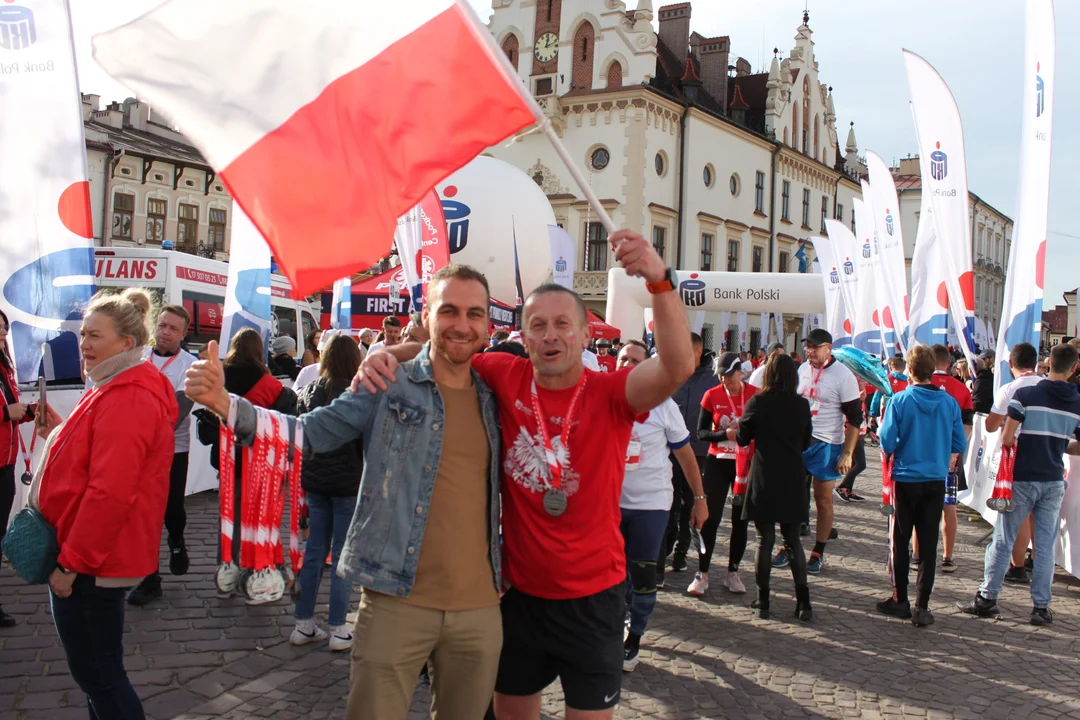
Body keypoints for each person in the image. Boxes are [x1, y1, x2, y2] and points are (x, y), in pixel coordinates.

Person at [356, 230, 694, 719]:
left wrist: (660, 282)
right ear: (522, 335)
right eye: (537, 325)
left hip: (594, 599)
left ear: (583, 334)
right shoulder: (499, 373)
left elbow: (679, 365)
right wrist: (383, 356)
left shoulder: (613, 393)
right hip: (517, 598)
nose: (550, 335)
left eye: (562, 324)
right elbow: (446, 347)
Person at [188, 265, 506, 720]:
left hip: (479, 609)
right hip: (396, 599)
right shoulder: (387, 382)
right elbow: (309, 433)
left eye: (474, 313)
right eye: (449, 310)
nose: (462, 324)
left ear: (487, 325)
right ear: (427, 316)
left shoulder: (496, 393)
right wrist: (227, 405)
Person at [31, 288, 177, 718]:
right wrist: (58, 433)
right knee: (99, 679)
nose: (85, 344)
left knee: (101, 679)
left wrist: (71, 564)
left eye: (95, 335)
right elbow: (99, 462)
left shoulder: (128, 393)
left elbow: (110, 492)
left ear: (127, 344)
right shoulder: (116, 383)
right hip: (93, 558)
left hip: (93, 563)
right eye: (82, 335)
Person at [959, 343, 1080, 626]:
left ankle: (987, 598)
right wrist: (1058, 444)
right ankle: (1041, 607)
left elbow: (1006, 438)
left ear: (1048, 362)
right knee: (1045, 545)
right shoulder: (1076, 402)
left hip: (1023, 476)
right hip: (1053, 479)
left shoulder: (1025, 394)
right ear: (1074, 368)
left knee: (1004, 538)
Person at [616, 340, 707, 671]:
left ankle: (634, 637)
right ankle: (615, 625)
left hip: (651, 504)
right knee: (611, 576)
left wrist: (699, 499)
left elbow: (685, 455)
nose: (627, 364)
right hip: (608, 504)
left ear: (646, 367)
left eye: (635, 360)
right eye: (622, 358)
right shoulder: (601, 400)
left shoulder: (663, 406)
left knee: (641, 573)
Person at [876, 345, 967, 627]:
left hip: (905, 477)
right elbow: (959, 443)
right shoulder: (949, 402)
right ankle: (922, 606)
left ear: (911, 371)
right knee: (928, 544)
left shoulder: (900, 401)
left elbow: (887, 441)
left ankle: (900, 599)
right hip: (934, 479)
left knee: (901, 541)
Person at [291, 335, 365, 652]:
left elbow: (300, 433)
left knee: (315, 551)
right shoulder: (358, 395)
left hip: (316, 482)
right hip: (348, 484)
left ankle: (303, 623)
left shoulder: (308, 391)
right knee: (342, 558)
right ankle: (338, 628)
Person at [211, 328, 298, 598]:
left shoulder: (221, 379)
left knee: (229, 516)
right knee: (260, 519)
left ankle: (225, 573)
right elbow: (283, 419)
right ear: (259, 351)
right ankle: (254, 575)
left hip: (228, 458)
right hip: (260, 461)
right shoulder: (270, 384)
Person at [773, 329, 861, 574]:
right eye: (808, 346)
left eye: (815, 347)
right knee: (791, 496)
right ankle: (788, 546)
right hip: (799, 442)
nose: (810, 350)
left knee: (822, 500)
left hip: (827, 443)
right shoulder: (801, 370)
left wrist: (848, 453)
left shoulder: (843, 376)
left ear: (828, 348)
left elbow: (855, 418)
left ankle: (818, 552)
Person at [127, 305, 199, 606]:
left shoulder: (189, 365)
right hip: (135, 452)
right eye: (162, 325)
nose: (165, 332)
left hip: (172, 451)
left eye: (172, 329)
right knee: (144, 515)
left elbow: (177, 413)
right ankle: (150, 578)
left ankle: (177, 539)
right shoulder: (137, 357)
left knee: (172, 510)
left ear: (183, 334)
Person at [736, 354, 813, 621]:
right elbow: (806, 442)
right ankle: (803, 603)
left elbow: (742, 437)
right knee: (793, 541)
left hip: (765, 475)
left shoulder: (758, 402)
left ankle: (763, 600)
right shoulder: (802, 405)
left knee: (764, 541)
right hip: (792, 475)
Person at [691, 351, 756, 596]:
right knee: (711, 518)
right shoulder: (712, 395)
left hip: (744, 465)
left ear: (741, 372)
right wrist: (725, 435)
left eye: (729, 376)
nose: (724, 381)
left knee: (740, 520)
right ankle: (702, 573)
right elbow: (701, 433)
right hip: (717, 461)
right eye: (721, 376)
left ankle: (733, 572)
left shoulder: (753, 395)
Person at [984, 342, 1042, 584]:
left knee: (1017, 513)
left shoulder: (1010, 388)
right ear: (1036, 363)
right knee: (1039, 517)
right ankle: (1036, 561)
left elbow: (990, 425)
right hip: (1049, 454)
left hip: (1018, 456)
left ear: (1010, 364)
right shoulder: (1048, 384)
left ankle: (1017, 566)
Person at [663, 332, 718, 581]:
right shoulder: (670, 375)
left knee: (691, 504)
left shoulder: (713, 380)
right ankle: (665, 547)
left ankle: (681, 553)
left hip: (698, 453)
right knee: (669, 503)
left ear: (698, 353)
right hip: (669, 451)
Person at [0, 309, 35, 628]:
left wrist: (28, 412)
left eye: (2, 329)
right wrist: (4, 412)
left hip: (5, 462)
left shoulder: (4, 365)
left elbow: (11, 407)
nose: (1, 334)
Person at [926, 344, 974, 573]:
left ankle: (917, 554)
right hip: (950, 458)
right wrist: (956, 451)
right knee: (949, 505)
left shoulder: (920, 385)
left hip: (923, 456)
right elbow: (968, 425)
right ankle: (947, 556)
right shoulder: (962, 389)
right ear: (949, 363)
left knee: (922, 505)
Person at [834, 380, 870, 504]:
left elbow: (863, 415)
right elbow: (850, 414)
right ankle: (842, 487)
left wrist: (869, 430)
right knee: (861, 464)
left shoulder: (860, 394)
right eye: (862, 382)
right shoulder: (851, 395)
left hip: (860, 431)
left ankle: (847, 489)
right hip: (853, 433)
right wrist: (859, 401)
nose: (864, 384)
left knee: (855, 463)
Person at [972, 349, 995, 414]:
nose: (983, 361)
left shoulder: (985, 376)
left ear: (992, 358)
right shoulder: (983, 375)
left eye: (984, 359)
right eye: (982, 359)